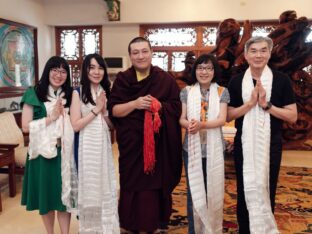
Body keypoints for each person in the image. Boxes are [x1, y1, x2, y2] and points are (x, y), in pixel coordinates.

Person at [108, 37, 182, 233]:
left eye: (144, 51)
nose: (140, 56)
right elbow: (114, 110)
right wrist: (135, 104)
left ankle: (154, 223)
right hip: (131, 144)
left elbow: (175, 107)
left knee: (153, 185)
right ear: (130, 56)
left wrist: (158, 106)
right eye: (135, 52)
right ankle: (130, 224)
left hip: (158, 144)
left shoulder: (164, 79)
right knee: (131, 182)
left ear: (151, 53)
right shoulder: (123, 80)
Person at [227, 36, 297, 233]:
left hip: (271, 145)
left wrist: (266, 105)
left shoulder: (282, 80)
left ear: (269, 53)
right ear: (246, 55)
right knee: (244, 188)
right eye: (254, 51)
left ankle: (264, 228)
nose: (258, 55)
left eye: (263, 50)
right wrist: (249, 104)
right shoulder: (236, 81)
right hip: (244, 144)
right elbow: (228, 115)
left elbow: (292, 116)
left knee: (267, 186)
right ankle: (245, 230)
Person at [21, 56, 78, 234]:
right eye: (55, 70)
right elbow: (25, 126)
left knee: (63, 200)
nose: (59, 75)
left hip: (64, 153)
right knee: (47, 199)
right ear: (47, 71)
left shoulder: (70, 94)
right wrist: (51, 118)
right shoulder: (34, 93)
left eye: (63, 71)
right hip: (43, 155)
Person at [70, 53, 119, 233]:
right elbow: (75, 125)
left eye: (100, 67)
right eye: (92, 67)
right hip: (86, 148)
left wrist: (104, 111)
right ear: (85, 70)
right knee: (90, 187)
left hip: (103, 145)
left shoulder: (106, 91)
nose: (97, 72)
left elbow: (111, 125)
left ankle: (105, 227)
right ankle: (91, 228)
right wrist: (96, 109)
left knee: (104, 183)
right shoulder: (78, 92)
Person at [179, 54, 229, 233]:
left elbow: (222, 119)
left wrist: (202, 125)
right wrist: (189, 125)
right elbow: (182, 119)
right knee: (194, 192)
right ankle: (195, 230)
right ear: (195, 71)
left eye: (208, 68)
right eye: (200, 68)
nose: (204, 72)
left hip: (214, 149)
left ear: (214, 71)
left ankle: (212, 229)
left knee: (213, 190)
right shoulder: (186, 91)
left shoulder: (222, 92)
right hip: (191, 148)